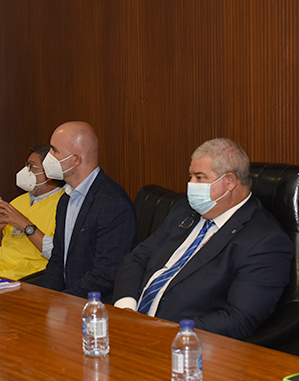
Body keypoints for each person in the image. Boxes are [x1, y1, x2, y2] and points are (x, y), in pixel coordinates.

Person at [113, 138, 293, 339]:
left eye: (199, 177)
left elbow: (239, 319)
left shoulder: (265, 241)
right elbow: (138, 257)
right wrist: (125, 308)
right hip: (128, 323)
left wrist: (164, 332)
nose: (190, 185)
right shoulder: (184, 209)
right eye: (190, 176)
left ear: (230, 182)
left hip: (181, 343)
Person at [40, 121, 137, 301]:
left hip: (96, 306)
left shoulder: (113, 203)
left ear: (76, 159)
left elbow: (105, 275)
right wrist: (43, 300)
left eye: (54, 151)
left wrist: (61, 302)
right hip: (68, 300)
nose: (48, 157)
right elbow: (58, 259)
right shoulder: (65, 198)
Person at [0, 144, 65, 280]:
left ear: (50, 173)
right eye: (26, 165)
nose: (25, 171)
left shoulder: (64, 205)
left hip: (28, 278)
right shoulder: (16, 202)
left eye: (32, 166)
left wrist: (25, 225)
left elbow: (60, 254)